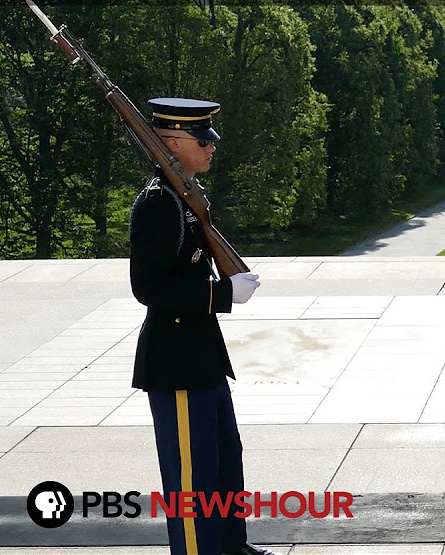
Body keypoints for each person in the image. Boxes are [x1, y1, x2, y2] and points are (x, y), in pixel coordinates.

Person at [129, 98, 274, 555]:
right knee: (192, 482)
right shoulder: (159, 205)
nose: (211, 148)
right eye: (201, 141)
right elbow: (148, 288)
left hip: (202, 359)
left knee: (223, 465)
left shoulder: (185, 198)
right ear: (170, 143)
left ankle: (231, 547)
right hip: (176, 365)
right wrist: (223, 295)